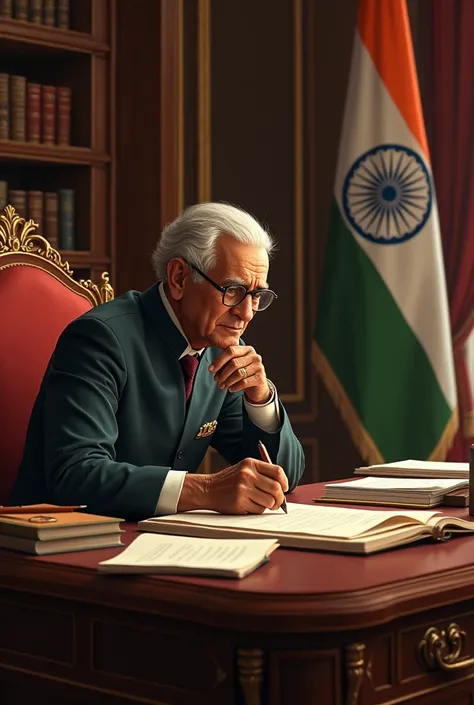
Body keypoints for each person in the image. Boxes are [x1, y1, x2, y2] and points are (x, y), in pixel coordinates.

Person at [10, 202, 305, 520]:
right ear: (179, 277)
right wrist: (205, 490)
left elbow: (283, 478)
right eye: (232, 290)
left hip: (158, 540)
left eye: (257, 295)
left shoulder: (224, 350)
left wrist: (260, 397)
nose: (246, 313)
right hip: (58, 543)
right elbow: (75, 475)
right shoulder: (99, 338)